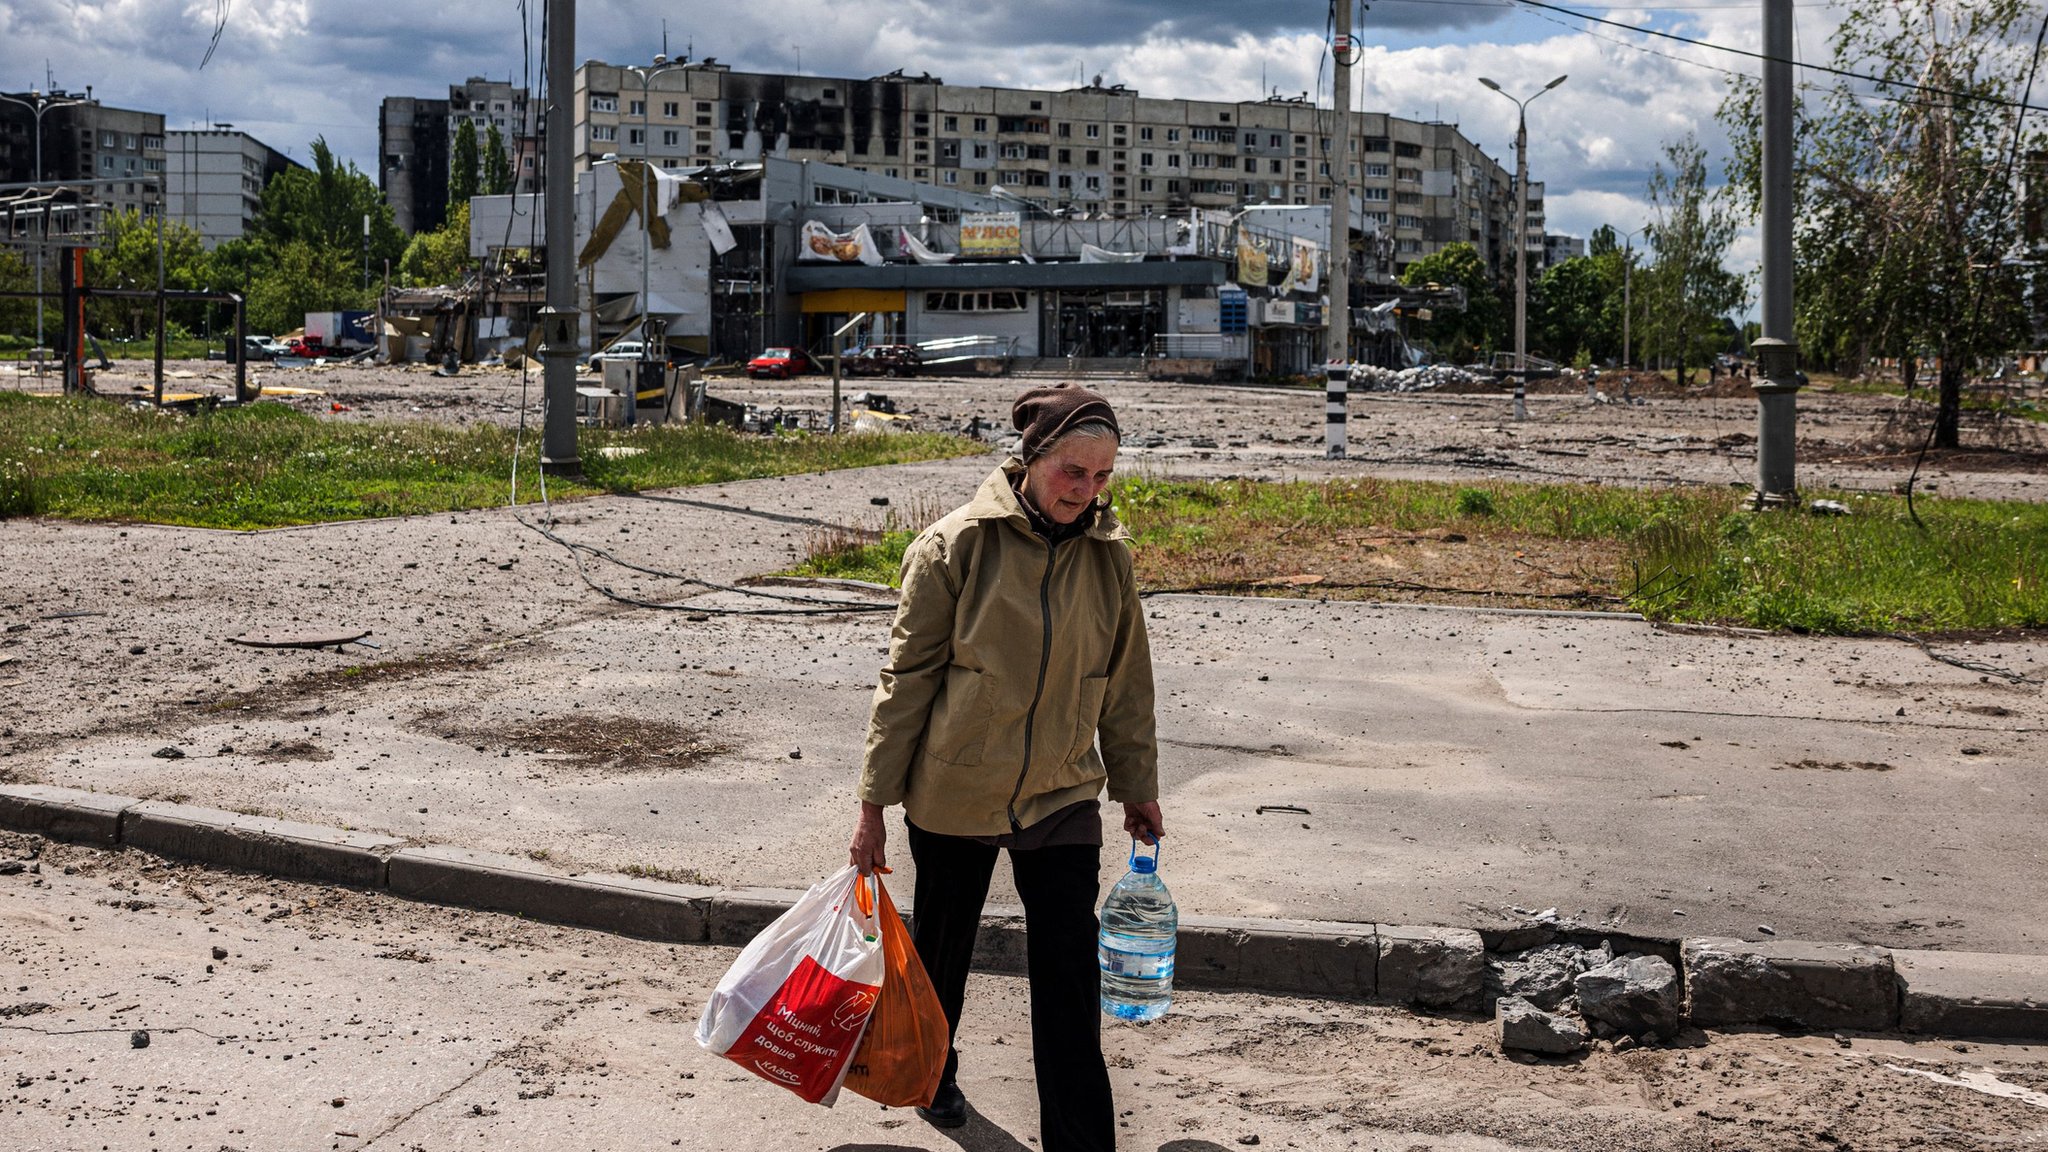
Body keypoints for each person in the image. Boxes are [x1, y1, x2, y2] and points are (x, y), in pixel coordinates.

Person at [849, 383, 1164, 1151]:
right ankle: (935, 1072)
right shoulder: (953, 547)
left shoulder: (1108, 559)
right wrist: (873, 804)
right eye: (1072, 472)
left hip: (1062, 788)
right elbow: (908, 680)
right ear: (1031, 461)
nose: (1087, 492)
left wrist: (1137, 787)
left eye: (1102, 477)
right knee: (943, 951)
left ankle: (1081, 1142)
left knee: (1067, 975)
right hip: (957, 785)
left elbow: (1126, 683)